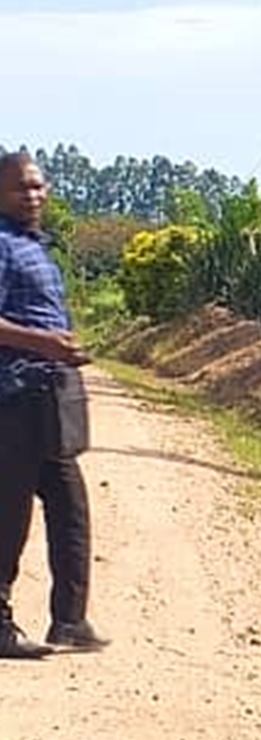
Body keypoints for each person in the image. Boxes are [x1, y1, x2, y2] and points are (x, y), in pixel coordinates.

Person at [0, 150, 108, 659]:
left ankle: (70, 620)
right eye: (23, 187)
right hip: (13, 399)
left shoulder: (34, 246)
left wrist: (64, 348)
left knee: (71, 508)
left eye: (39, 186)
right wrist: (44, 344)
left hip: (48, 397)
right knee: (8, 514)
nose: (35, 195)